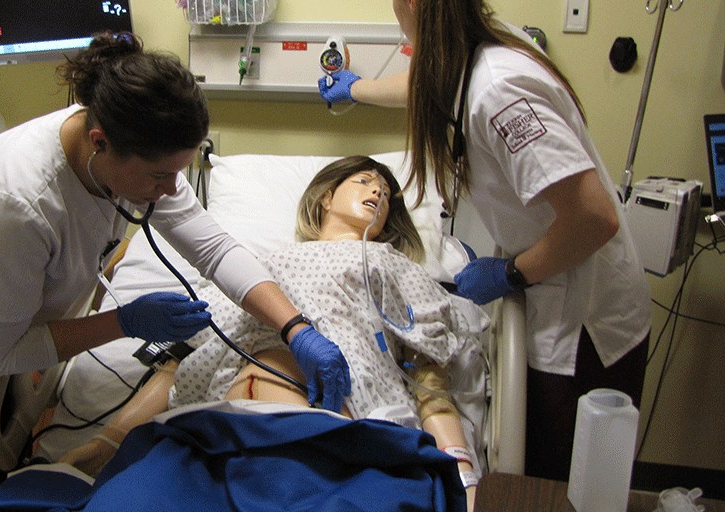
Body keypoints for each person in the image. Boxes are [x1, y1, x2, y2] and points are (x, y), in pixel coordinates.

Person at [0, 32, 350, 512]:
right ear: (100, 142)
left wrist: (296, 328)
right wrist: (125, 322)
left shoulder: (133, 145)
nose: (171, 188)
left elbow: (215, 249)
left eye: (178, 172)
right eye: (160, 177)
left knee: (8, 467)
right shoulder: (15, 205)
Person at [317, 0, 651, 481]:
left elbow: (594, 218)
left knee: (558, 486)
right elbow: (423, 80)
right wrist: (357, 88)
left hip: (585, 320)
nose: (394, 11)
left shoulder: (498, 91)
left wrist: (511, 274)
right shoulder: (476, 43)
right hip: (557, 291)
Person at [60, 156, 487, 511]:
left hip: (325, 440)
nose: (377, 193)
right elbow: (182, 361)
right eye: (363, 181)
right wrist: (106, 442)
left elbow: (428, 377)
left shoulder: (391, 265)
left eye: (387, 195)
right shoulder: (253, 271)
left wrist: (464, 479)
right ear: (325, 198)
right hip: (209, 435)